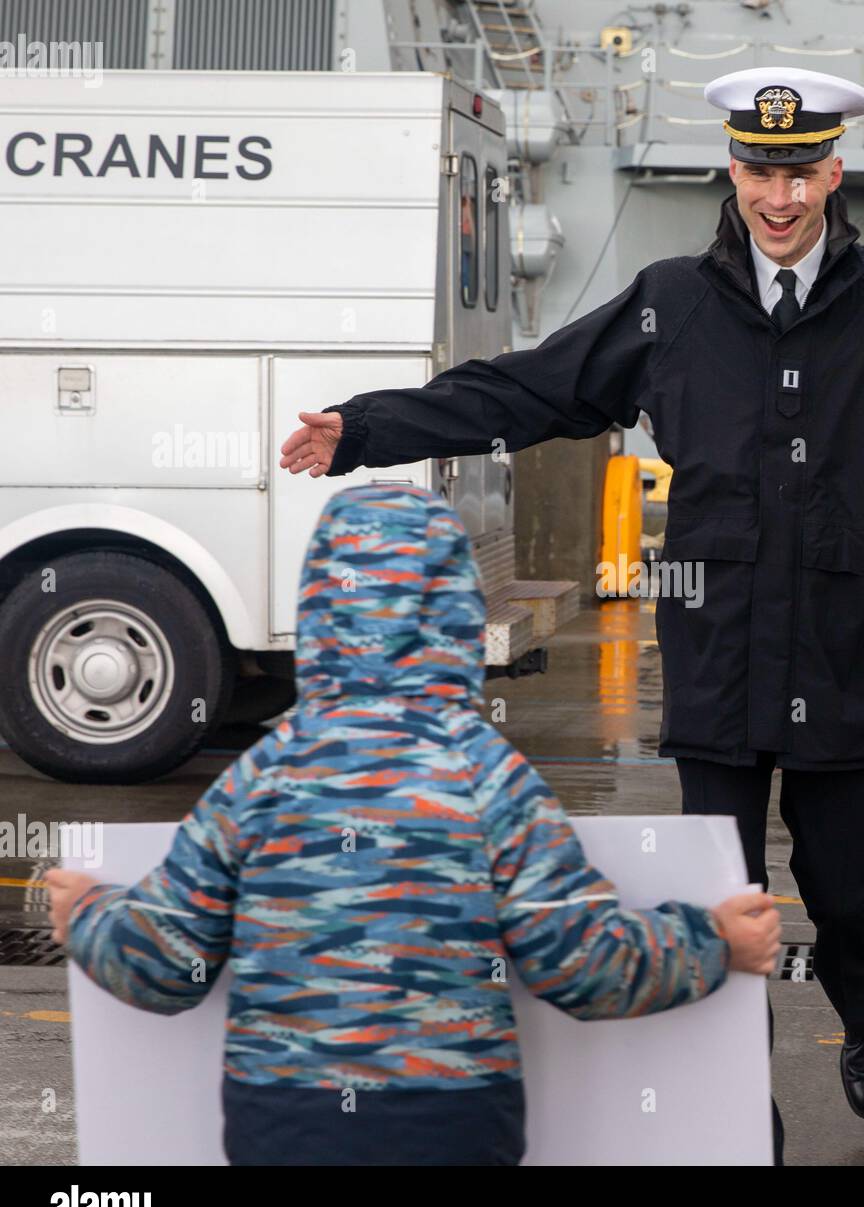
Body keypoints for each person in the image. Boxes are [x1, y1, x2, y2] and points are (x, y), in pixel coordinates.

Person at [278, 67, 864, 1150]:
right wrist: (364, 429)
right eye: (755, 170)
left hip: (841, 662)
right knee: (719, 907)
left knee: (850, 890)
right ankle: (741, 1104)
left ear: (833, 171)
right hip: (717, 664)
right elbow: (526, 389)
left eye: (798, 171)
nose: (776, 197)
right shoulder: (668, 304)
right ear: (729, 171)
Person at [47, 485, 780, 1167]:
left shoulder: (263, 775)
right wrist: (714, 939)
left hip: (284, 1123)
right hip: (451, 1121)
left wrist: (85, 912)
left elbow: (166, 960)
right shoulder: (485, 771)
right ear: (456, 612)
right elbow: (581, 963)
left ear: (317, 611)